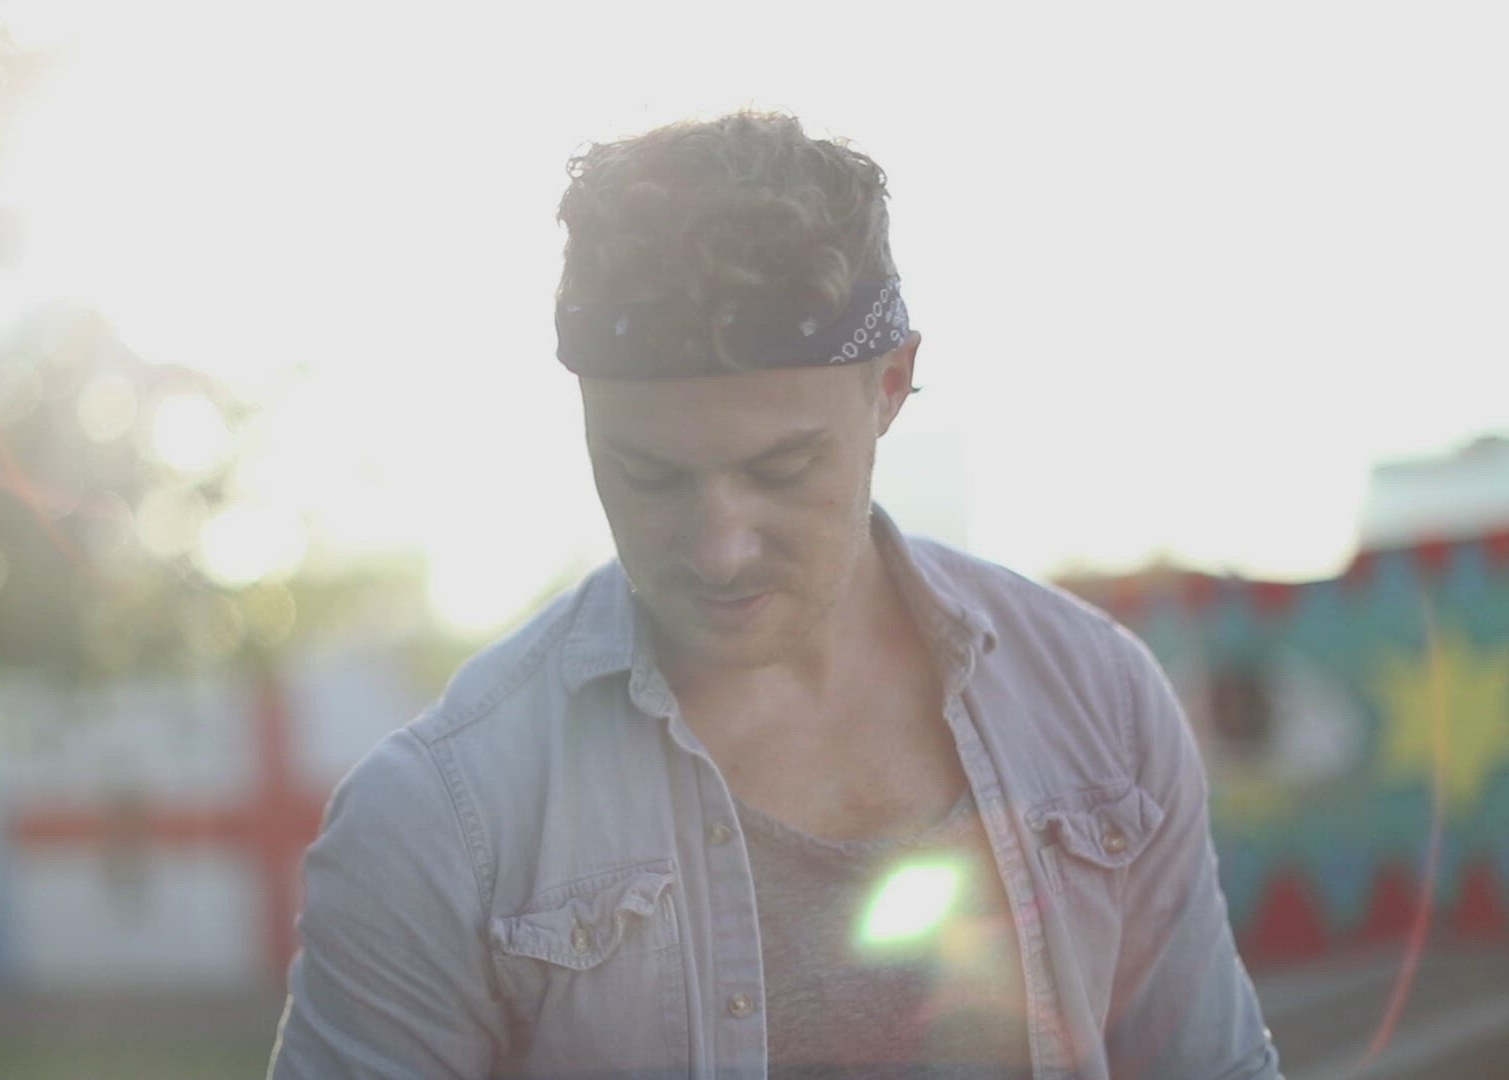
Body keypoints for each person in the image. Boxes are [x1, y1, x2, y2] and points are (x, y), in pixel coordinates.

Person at [268, 111, 1280, 1079]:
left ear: (891, 385)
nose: (720, 550)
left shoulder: (1097, 703)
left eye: (782, 469)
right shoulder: (439, 821)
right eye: (650, 476)